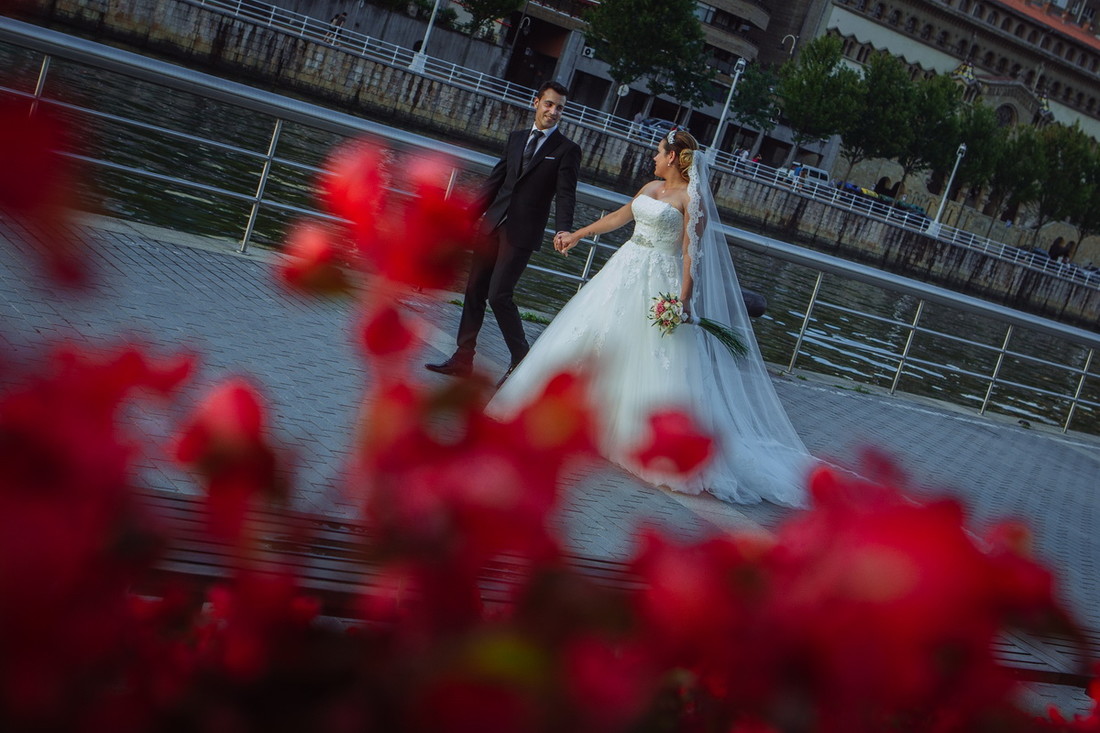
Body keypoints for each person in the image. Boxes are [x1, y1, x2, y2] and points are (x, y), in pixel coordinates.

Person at [485, 130, 814, 507]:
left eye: (658, 152)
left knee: (652, 357)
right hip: (624, 269)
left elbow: (693, 253)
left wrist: (684, 299)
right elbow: (619, 218)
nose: (653, 158)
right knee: (595, 338)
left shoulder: (692, 199)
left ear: (673, 157)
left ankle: (641, 439)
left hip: (661, 281)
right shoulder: (650, 186)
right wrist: (577, 234)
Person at [426, 81, 581, 384]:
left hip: (522, 233)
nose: (553, 111)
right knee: (473, 291)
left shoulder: (567, 150)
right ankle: (462, 358)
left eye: (559, 108)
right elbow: (495, 182)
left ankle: (522, 358)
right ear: (536, 102)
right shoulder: (516, 138)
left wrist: (564, 228)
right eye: (549, 104)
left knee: (499, 295)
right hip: (492, 226)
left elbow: (566, 194)